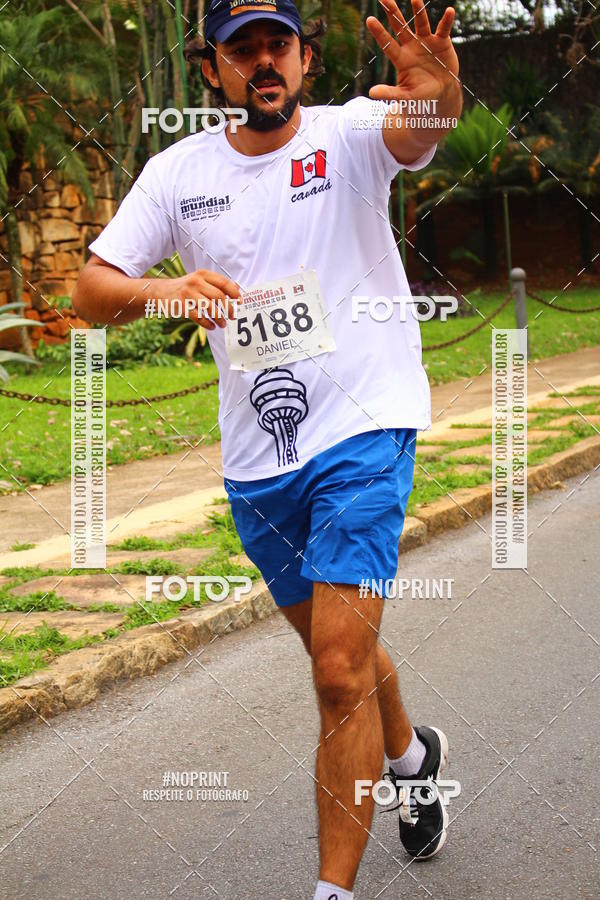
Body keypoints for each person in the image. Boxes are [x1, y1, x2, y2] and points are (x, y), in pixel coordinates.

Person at [72, 1, 462, 896]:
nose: (262, 64)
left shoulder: (353, 133)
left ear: (304, 59)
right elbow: (93, 287)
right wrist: (168, 294)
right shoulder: (178, 175)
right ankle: (409, 756)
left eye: (275, 45)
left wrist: (439, 97)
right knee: (342, 653)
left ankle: (331, 890)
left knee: (335, 669)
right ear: (211, 71)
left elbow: (419, 128)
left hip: (365, 427)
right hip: (259, 462)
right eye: (239, 51)